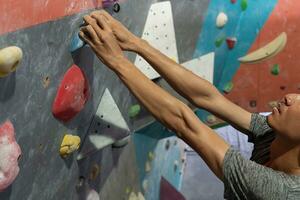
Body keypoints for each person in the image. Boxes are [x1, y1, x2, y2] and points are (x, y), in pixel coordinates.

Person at [79, 10, 300, 200]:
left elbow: (185, 123)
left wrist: (117, 61)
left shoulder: (278, 192)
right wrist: (136, 44)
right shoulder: (275, 133)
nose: (291, 97)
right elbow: (208, 97)